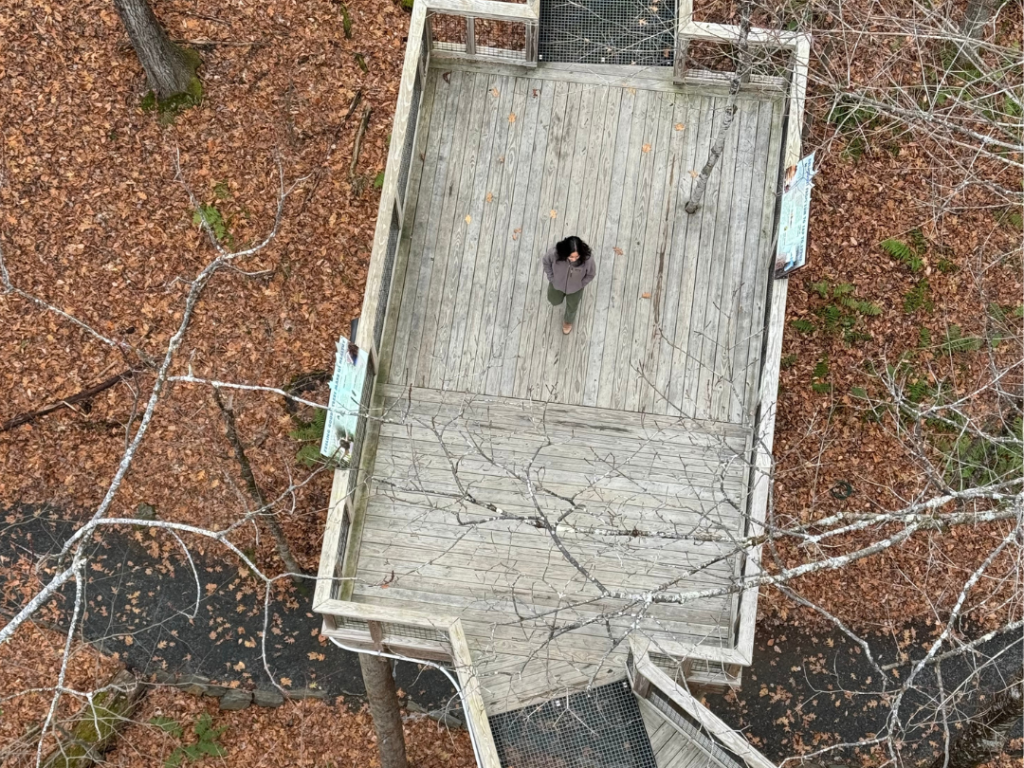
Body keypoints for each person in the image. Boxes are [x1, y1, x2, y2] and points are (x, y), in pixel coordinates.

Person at [542, 235, 596, 335]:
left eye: (577, 256)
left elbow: (591, 274)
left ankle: (568, 322)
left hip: (576, 289)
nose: (574, 259)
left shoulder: (588, 259)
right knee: (553, 300)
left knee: (572, 307)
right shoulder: (554, 253)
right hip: (556, 284)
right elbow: (546, 262)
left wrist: (581, 284)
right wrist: (551, 278)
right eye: (571, 256)